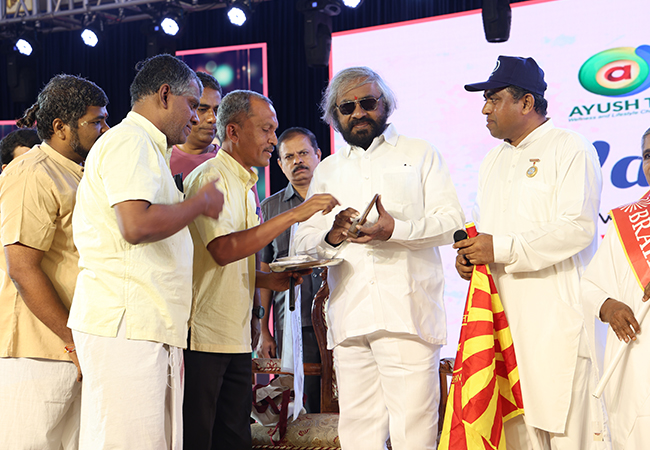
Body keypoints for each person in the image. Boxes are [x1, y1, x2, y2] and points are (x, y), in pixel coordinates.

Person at [293, 66, 465, 450]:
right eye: (347, 107)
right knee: (358, 435)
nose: (358, 112)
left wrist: (395, 230)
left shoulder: (420, 153)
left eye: (368, 102)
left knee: (414, 434)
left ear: (385, 104)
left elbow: (452, 223)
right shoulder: (328, 169)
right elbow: (303, 239)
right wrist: (332, 235)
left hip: (408, 315)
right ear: (334, 116)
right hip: (350, 318)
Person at [67, 54, 224, 450]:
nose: (197, 118)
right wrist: (199, 203)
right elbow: (136, 225)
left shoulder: (147, 147)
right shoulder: (130, 141)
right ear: (165, 95)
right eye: (193, 104)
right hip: (127, 323)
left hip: (143, 322)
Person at [454, 55, 603, 450]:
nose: (485, 109)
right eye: (485, 100)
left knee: (569, 436)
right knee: (516, 436)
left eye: (494, 98)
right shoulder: (492, 161)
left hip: (556, 321)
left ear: (526, 102)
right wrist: (470, 257)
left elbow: (577, 228)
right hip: (503, 327)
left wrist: (499, 248)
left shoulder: (569, 147)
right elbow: (484, 229)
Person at [182, 90, 339, 450]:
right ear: (234, 132)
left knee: (236, 437)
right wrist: (295, 214)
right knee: (201, 438)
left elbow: (238, 261)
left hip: (236, 335)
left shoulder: (245, 183)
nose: (273, 139)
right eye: (266, 129)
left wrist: (271, 280)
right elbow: (223, 250)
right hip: (204, 336)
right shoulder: (211, 178)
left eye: (274, 130)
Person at [0, 74, 109, 450]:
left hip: (72, 345)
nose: (104, 129)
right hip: (37, 351)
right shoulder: (32, 172)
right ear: (61, 127)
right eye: (96, 121)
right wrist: (71, 341)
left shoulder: (79, 173)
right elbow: (21, 268)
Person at [581, 126, 650, 450]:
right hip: (637, 366)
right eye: (647, 155)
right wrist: (608, 307)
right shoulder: (624, 223)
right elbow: (590, 285)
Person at [259, 126, 323, 413]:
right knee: (300, 401)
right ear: (280, 164)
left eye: (304, 153)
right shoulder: (270, 209)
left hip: (340, 315)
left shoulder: (336, 201)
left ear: (318, 155)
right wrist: (264, 330)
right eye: (289, 157)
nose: (298, 161)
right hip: (294, 323)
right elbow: (264, 271)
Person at [170, 71, 222, 181]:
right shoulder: (159, 159)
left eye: (217, 111)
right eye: (202, 109)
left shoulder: (233, 164)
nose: (213, 118)